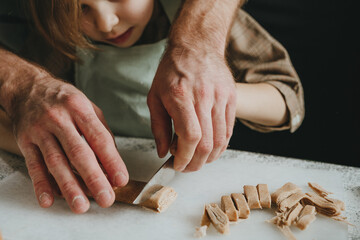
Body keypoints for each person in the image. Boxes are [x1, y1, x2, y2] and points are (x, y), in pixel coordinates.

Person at [0, 0, 304, 213]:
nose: (106, 22)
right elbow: (25, 122)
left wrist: (218, 94)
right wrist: (62, 152)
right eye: (82, 8)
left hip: (203, 178)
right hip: (122, 169)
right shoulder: (62, 38)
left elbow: (288, 101)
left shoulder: (210, 21)